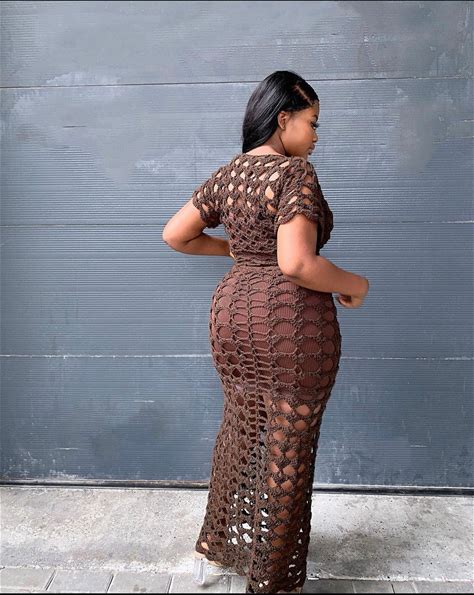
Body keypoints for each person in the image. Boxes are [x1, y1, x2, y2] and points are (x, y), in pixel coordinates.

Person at [163, 70, 369, 594]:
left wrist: (235, 249)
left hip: (233, 315)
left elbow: (176, 234)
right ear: (284, 119)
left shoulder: (230, 174)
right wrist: (355, 284)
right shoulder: (295, 173)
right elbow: (297, 264)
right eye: (313, 122)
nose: (317, 135)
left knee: (240, 429)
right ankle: (272, 578)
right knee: (287, 446)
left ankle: (216, 549)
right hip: (288, 322)